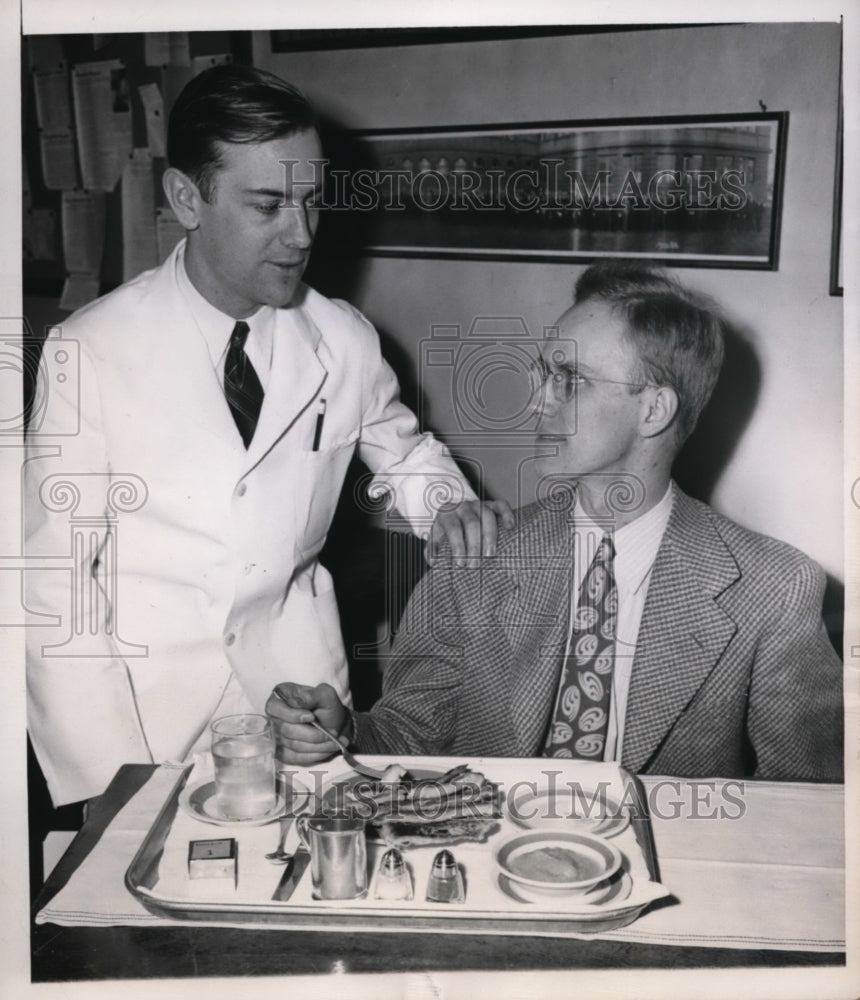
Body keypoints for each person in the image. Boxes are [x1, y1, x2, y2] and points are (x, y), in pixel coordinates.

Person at [24, 65, 511, 807]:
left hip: (303, 710)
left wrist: (445, 504)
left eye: (313, 202)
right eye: (269, 205)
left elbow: (405, 452)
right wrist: (109, 780)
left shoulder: (343, 338)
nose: (303, 234)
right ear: (188, 198)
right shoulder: (89, 351)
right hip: (146, 725)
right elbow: (51, 582)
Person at [269, 261, 844, 782]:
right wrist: (342, 730)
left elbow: (809, 805)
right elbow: (409, 737)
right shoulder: (478, 553)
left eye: (572, 379)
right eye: (546, 372)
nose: (539, 399)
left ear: (654, 409)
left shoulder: (774, 588)